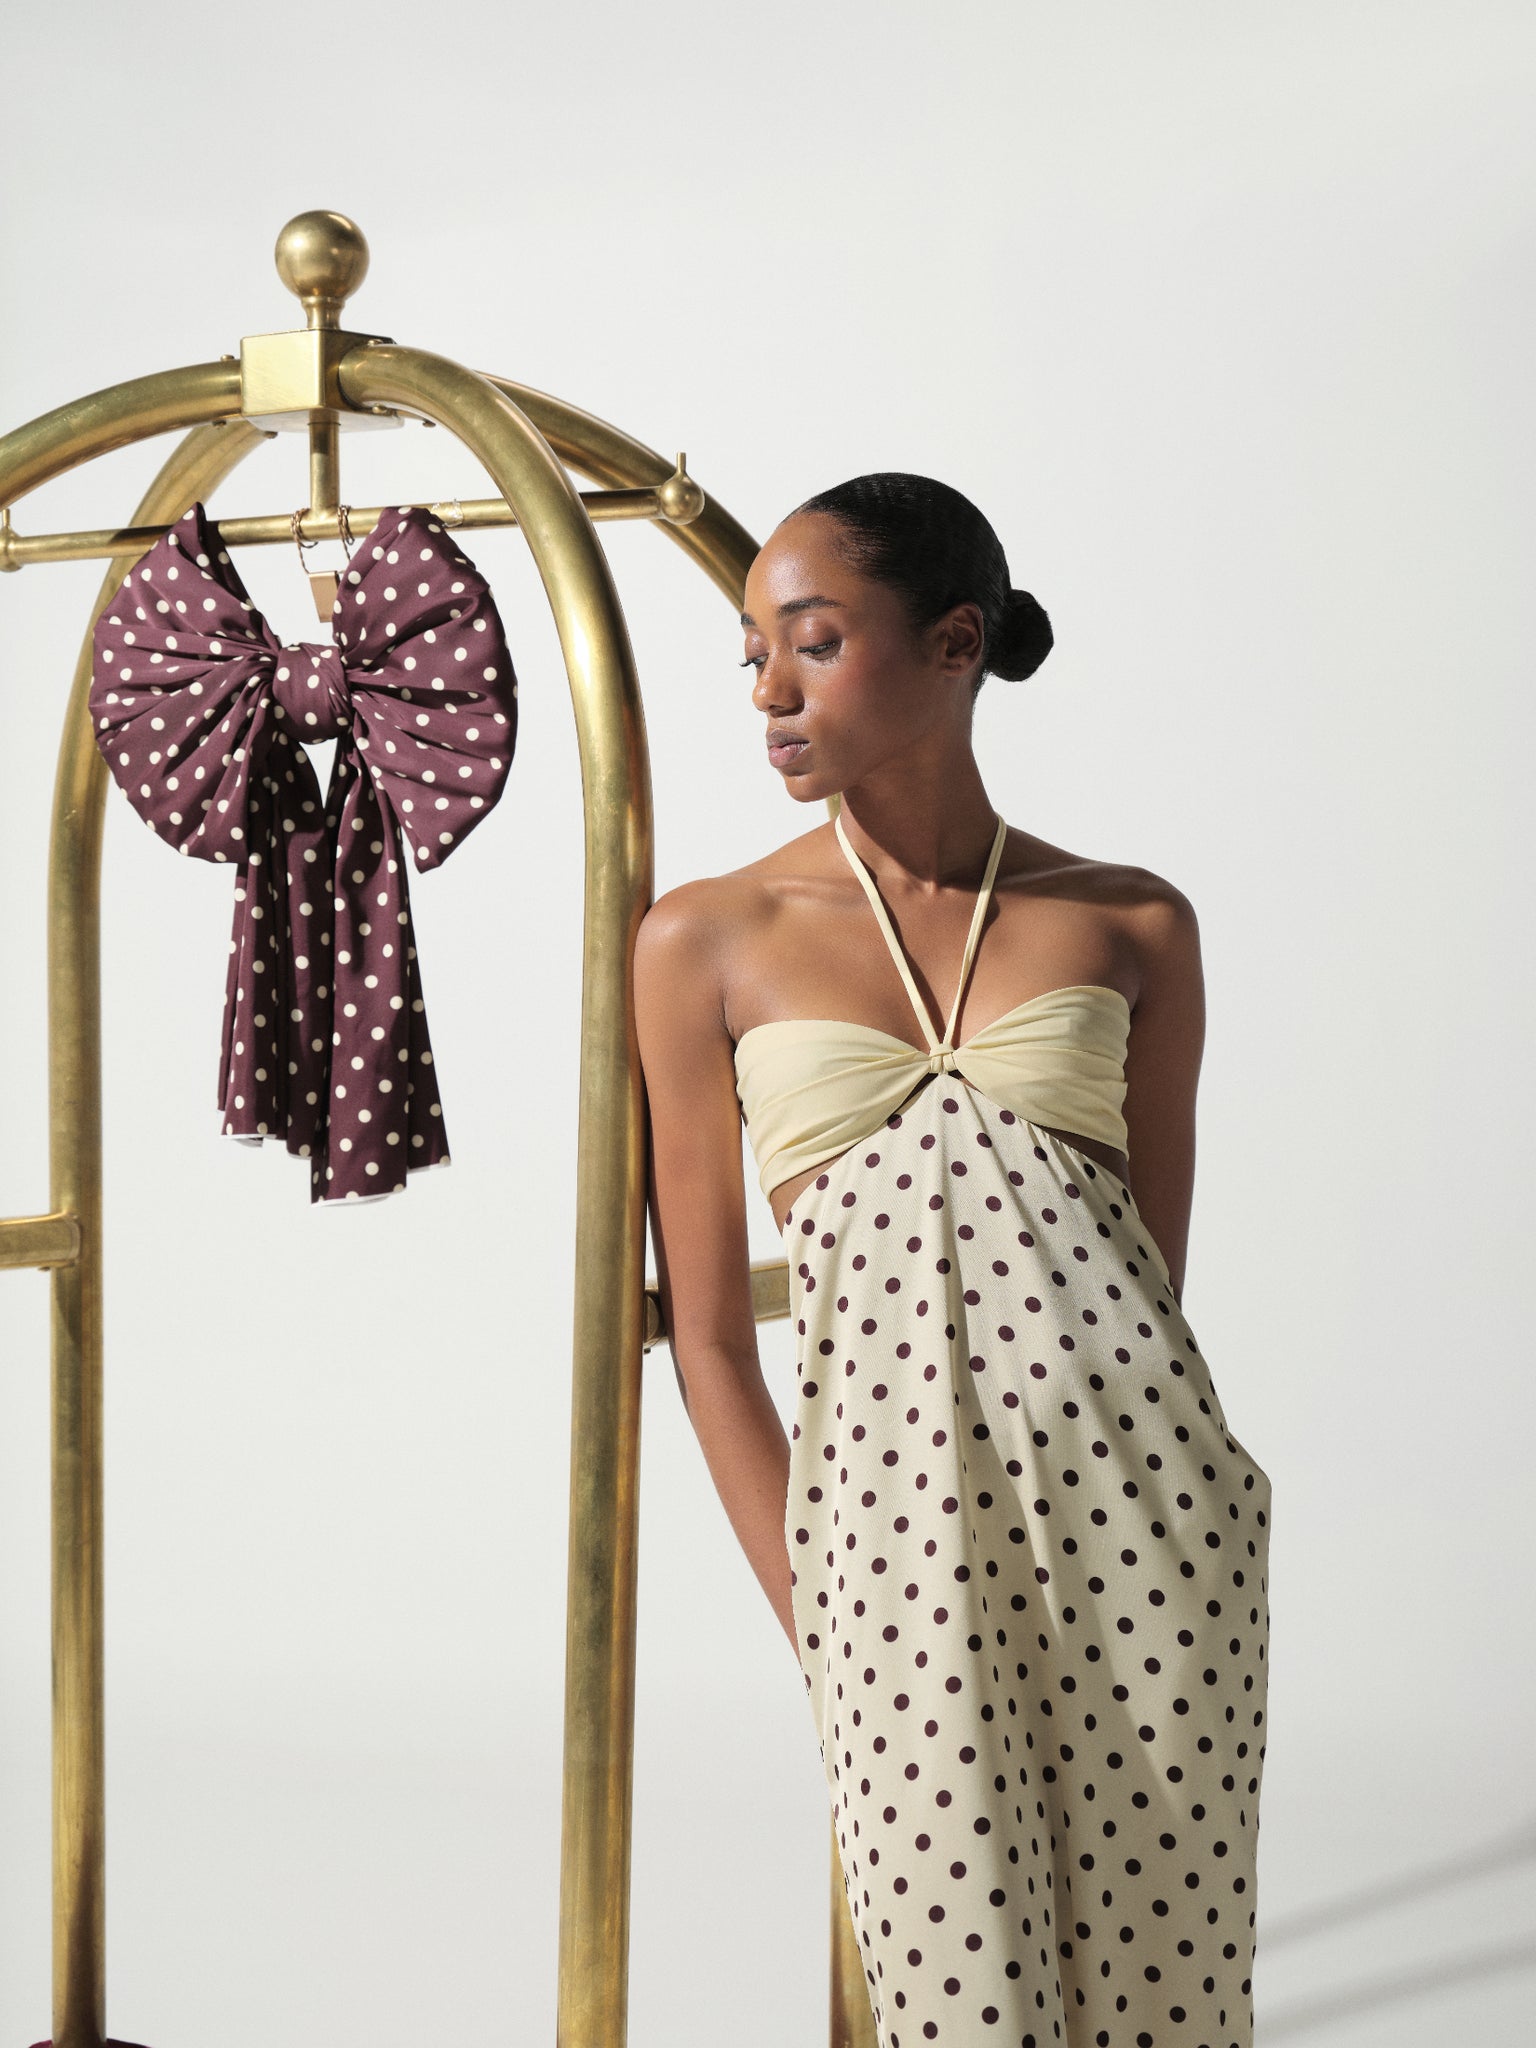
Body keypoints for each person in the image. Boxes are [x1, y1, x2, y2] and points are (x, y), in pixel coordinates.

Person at [634, 473, 1271, 2048]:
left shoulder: (1133, 925)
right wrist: (824, 1602)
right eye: (753, 656)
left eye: (814, 643)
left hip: (1152, 1533)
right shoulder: (705, 941)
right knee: (966, 2009)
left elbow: (1145, 1284)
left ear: (955, 644)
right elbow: (707, 1337)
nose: (770, 692)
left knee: (1169, 2012)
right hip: (889, 1562)